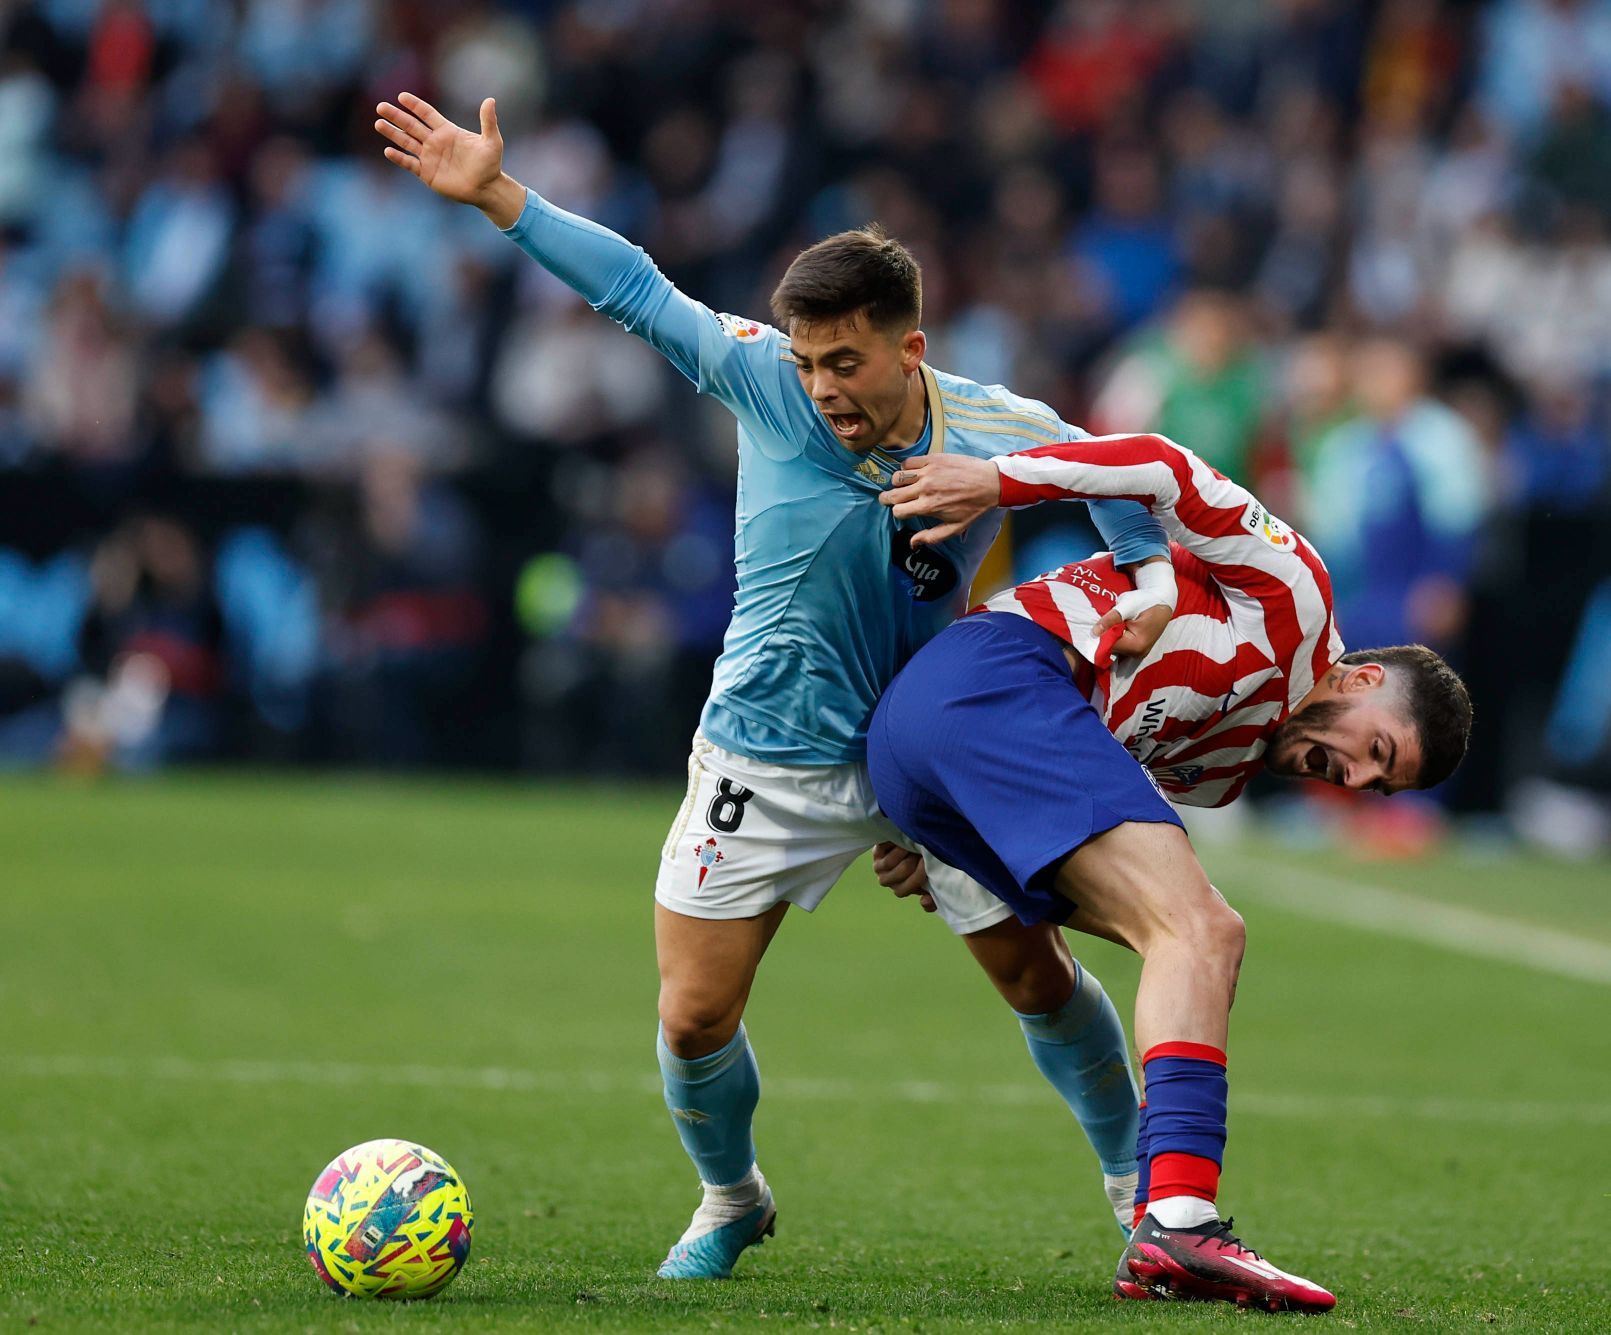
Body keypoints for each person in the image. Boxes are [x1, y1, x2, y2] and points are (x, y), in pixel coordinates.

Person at [374, 92, 1183, 1278]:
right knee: (694, 1016)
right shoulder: (765, 383)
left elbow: (1122, 475)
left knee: (1034, 975)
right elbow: (640, 293)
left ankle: (1133, 1190)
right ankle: (731, 1196)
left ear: (910, 348)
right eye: (808, 361)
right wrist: (501, 196)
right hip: (766, 747)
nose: (823, 389)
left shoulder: (997, 427)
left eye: (845, 362)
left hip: (926, 750)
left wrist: (1150, 575)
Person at [865, 434, 1472, 1312]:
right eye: (1373, 750)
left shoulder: (1222, 773)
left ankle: (1157, 1207)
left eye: (1379, 786)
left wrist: (945, 823)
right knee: (1202, 928)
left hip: (937, 747)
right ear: (1362, 675)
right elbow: (1158, 465)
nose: (1355, 779)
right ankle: (1176, 1218)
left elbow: (1084, 758)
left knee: (1170, 943)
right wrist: (996, 481)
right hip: (994, 676)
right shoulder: (1294, 595)